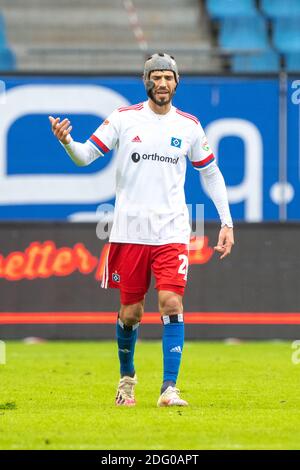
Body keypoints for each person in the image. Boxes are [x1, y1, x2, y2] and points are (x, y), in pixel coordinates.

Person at [49, 53, 234, 408]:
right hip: (129, 232)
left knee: (171, 302)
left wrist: (226, 221)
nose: (162, 84)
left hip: (172, 231)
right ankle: (127, 380)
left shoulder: (189, 126)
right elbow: (86, 155)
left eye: (168, 78)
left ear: (177, 83)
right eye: (156, 77)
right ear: (146, 81)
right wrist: (67, 141)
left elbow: (210, 173)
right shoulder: (124, 119)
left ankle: (169, 388)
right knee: (130, 313)